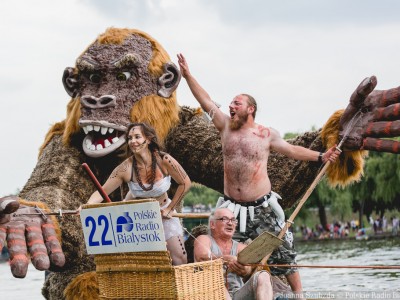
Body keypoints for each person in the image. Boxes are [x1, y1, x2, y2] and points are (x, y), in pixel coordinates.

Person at [178, 53, 340, 293]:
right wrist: (188, 76)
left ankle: (299, 296)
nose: (231, 106)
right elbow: (206, 102)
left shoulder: (266, 134)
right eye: (231, 103)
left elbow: (292, 150)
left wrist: (321, 157)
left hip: (263, 206)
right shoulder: (224, 127)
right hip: (232, 207)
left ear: (250, 109)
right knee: (237, 258)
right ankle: (242, 293)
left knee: (283, 253)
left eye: (236, 103)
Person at [86, 122, 191, 265]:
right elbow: (102, 191)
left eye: (137, 137)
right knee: (144, 262)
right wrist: (87, 206)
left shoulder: (164, 160)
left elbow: (185, 183)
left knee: (180, 258)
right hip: (137, 218)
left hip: (163, 212)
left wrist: (170, 208)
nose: (133, 142)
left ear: (147, 139)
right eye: (130, 138)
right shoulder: (125, 168)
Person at [194, 208, 290, 300]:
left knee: (263, 275)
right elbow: (202, 257)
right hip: (211, 294)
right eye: (224, 219)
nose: (230, 223)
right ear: (212, 224)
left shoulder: (241, 247)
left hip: (238, 294)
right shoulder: (204, 239)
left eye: (233, 220)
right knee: (218, 284)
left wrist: (245, 271)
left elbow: (249, 271)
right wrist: (227, 259)